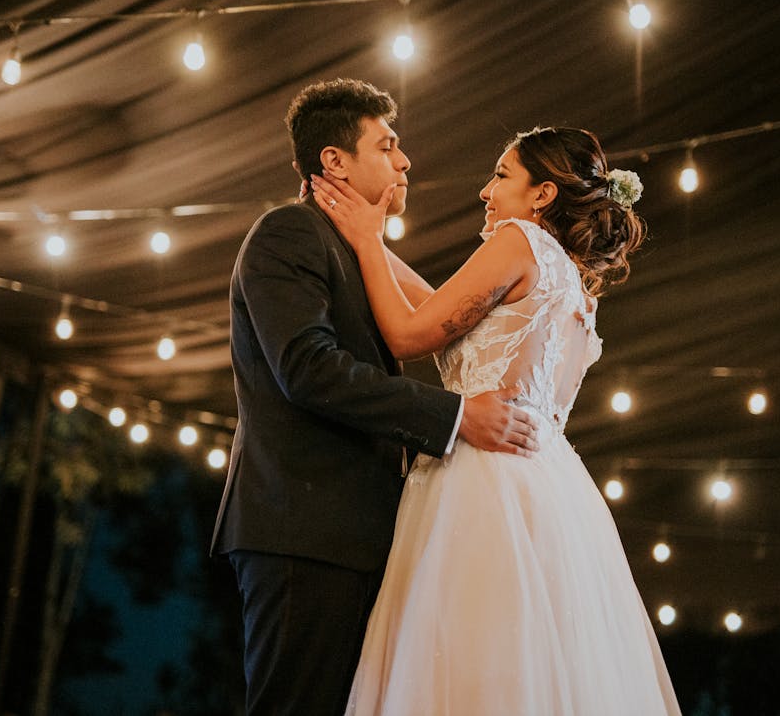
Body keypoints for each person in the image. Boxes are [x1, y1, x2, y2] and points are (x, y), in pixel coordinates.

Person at [310, 125, 682, 714]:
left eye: (502, 176)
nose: (486, 191)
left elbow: (409, 334)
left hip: (481, 479)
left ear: (542, 196)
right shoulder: (577, 288)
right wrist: (368, 241)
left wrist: (366, 239)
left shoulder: (518, 241)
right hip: (553, 493)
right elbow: (442, 310)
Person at [209, 78, 539, 716]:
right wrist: (455, 417)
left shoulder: (357, 252)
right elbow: (309, 369)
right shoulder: (287, 233)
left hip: (358, 533)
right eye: (388, 146)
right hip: (306, 528)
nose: (406, 161)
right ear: (333, 161)